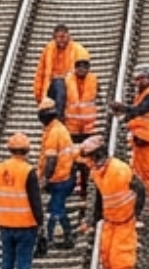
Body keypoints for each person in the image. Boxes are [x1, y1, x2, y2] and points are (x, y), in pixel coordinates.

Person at [77, 136, 145, 269]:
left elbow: (140, 189)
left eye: (88, 159)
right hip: (110, 220)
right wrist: (93, 220)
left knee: (121, 259)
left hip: (124, 221)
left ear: (96, 157)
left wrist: (136, 214)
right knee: (106, 254)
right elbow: (100, 197)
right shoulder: (97, 173)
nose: (87, 163)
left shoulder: (120, 170)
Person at [110, 64, 149, 218]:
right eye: (137, 79)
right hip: (142, 140)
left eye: (142, 78)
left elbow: (141, 110)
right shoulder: (144, 92)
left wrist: (123, 109)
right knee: (140, 173)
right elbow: (138, 114)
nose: (138, 82)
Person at [0, 133, 45, 269]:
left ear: (9, 149)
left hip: (5, 224)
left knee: (7, 260)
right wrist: (41, 222)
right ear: (27, 150)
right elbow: (35, 201)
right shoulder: (28, 171)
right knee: (24, 262)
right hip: (26, 225)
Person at [36, 97, 77, 249]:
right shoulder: (58, 128)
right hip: (64, 175)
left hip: (59, 178)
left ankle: (54, 238)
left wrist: (45, 179)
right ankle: (65, 236)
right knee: (58, 207)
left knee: (55, 209)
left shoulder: (54, 132)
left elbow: (51, 160)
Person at [64, 48, 100, 199]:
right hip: (72, 128)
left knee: (85, 161)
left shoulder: (94, 80)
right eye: (79, 66)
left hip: (88, 128)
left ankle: (84, 188)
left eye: (85, 66)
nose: (82, 69)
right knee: (72, 159)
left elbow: (98, 101)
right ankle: (73, 184)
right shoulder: (67, 81)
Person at [34, 24, 86, 122]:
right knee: (58, 84)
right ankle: (56, 118)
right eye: (57, 37)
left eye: (63, 37)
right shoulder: (48, 50)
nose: (60, 40)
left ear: (69, 36)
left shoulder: (78, 50)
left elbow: (84, 74)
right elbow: (40, 72)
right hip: (52, 89)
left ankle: (59, 117)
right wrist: (38, 95)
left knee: (60, 83)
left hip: (71, 89)